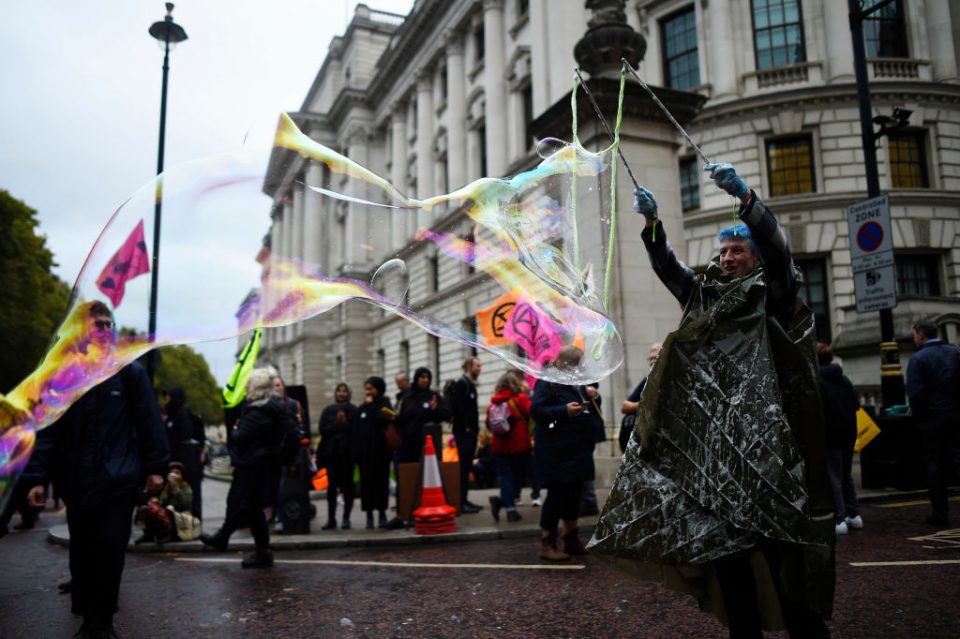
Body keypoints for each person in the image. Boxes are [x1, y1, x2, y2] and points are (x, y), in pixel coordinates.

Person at [590, 164, 834, 637]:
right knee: (729, 558)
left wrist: (747, 198)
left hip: (769, 455)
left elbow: (781, 250)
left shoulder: (774, 294)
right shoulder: (704, 299)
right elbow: (670, 269)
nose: (726, 258)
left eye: (737, 250)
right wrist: (653, 226)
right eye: (722, 251)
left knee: (783, 556)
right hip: (719, 458)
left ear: (756, 258)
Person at [21, 300, 170, 638]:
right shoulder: (64, 378)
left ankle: (100, 623)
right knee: (83, 553)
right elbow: (47, 431)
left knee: (109, 550)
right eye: (97, 324)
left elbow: (149, 423)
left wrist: (156, 466)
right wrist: (36, 478)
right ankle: (88, 609)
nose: (104, 329)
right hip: (76, 480)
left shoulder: (128, 372)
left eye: (108, 323)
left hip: (118, 481)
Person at [200, 366, 293, 568]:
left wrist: (231, 423)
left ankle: (255, 549)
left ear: (256, 387)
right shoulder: (274, 408)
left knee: (245, 506)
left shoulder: (257, 411)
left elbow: (238, 440)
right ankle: (250, 547)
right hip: (261, 466)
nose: (246, 386)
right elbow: (292, 436)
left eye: (249, 383)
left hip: (252, 467)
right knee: (248, 507)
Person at [531, 346, 597, 560]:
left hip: (578, 449)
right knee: (557, 495)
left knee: (574, 494)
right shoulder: (548, 381)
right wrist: (564, 411)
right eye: (579, 364)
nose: (582, 368)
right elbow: (537, 411)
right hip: (557, 451)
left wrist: (593, 397)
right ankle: (547, 542)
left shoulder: (575, 381)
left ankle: (571, 538)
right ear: (567, 364)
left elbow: (588, 409)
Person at [906, 321, 960, 527]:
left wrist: (921, 419)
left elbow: (916, 395)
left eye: (914, 335)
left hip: (933, 419)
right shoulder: (954, 352)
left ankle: (940, 512)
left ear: (920, 334)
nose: (913, 338)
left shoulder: (918, 359)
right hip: (956, 416)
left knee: (935, 465)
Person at [817, 343, 863, 536]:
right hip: (849, 433)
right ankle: (854, 515)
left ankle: (840, 518)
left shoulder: (819, 380)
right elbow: (856, 405)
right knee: (846, 475)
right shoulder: (843, 379)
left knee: (834, 478)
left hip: (832, 435)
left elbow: (820, 410)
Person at [486, 373, 532, 523]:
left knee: (506, 477)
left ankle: (501, 501)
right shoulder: (520, 399)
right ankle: (510, 510)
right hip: (519, 445)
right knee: (518, 477)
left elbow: (488, 424)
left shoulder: (493, 404)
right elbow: (532, 412)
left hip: (499, 447)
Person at [354, 376, 395, 529]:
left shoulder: (385, 404)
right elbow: (356, 432)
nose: (368, 392)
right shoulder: (361, 409)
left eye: (371, 388)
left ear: (378, 389)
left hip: (381, 454)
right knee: (367, 486)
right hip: (365, 456)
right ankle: (369, 516)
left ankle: (382, 514)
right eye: (366, 389)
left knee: (381, 485)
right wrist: (357, 454)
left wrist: (372, 407)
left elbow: (384, 421)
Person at [317, 382, 358, 530]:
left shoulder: (353, 410)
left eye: (344, 391)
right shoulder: (328, 410)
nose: (341, 393)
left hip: (347, 455)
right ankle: (331, 519)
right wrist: (337, 423)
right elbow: (323, 429)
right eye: (339, 391)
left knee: (348, 487)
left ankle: (346, 518)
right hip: (332, 455)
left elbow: (356, 430)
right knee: (332, 488)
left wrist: (345, 422)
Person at [162, 387, 204, 521]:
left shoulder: (182, 415)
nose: (165, 400)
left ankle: (192, 522)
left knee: (190, 494)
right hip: (184, 462)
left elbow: (182, 440)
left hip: (186, 463)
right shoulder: (175, 414)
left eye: (167, 397)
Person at [395, 367, 450, 465]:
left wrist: (434, 410)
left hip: (429, 441)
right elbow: (402, 417)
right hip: (409, 443)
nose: (426, 380)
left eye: (428, 377)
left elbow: (446, 415)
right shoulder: (407, 396)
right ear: (416, 378)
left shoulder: (433, 396)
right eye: (422, 377)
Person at [449, 356, 484, 513]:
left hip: (469, 433)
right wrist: (467, 428)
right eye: (477, 366)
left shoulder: (469, 384)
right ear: (470, 367)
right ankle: (461, 503)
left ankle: (464, 500)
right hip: (464, 434)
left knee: (466, 467)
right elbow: (457, 407)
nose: (480, 368)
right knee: (463, 468)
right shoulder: (462, 384)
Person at [135, 461, 195, 544]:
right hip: (168, 516)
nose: (173, 475)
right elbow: (162, 503)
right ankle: (149, 534)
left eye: (177, 473)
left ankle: (170, 534)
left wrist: (175, 488)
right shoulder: (166, 488)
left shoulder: (185, 487)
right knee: (147, 507)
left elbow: (184, 505)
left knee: (167, 510)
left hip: (180, 519)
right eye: (171, 472)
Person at [618, 342, 661, 453]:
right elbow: (624, 406)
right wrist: (645, 404)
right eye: (650, 359)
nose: (652, 362)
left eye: (656, 358)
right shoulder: (648, 380)